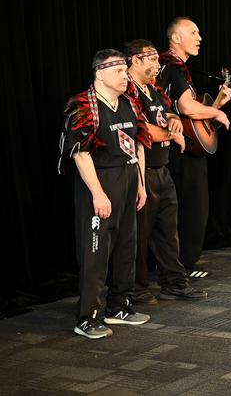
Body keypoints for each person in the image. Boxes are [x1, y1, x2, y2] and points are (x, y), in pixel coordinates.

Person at [60, 50, 151, 338]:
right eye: (118, 72)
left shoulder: (129, 103)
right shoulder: (83, 105)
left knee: (127, 246)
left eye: (126, 71)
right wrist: (98, 194)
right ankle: (88, 316)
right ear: (100, 72)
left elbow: (138, 145)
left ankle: (119, 306)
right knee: (96, 251)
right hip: (100, 182)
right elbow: (80, 154)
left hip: (127, 177)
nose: (125, 77)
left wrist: (141, 184)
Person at [124, 39, 207, 304]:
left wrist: (173, 121)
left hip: (162, 169)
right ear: (135, 60)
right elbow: (142, 130)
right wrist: (171, 135)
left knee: (167, 231)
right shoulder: (127, 91)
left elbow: (169, 113)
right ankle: (136, 288)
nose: (157, 63)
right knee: (140, 233)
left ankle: (174, 282)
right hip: (142, 171)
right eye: (150, 58)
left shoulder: (153, 88)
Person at [157, 17, 231, 275]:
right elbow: (187, 107)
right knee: (192, 207)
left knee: (186, 206)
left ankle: (179, 262)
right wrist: (218, 114)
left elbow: (192, 116)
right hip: (181, 149)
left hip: (182, 146)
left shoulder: (174, 68)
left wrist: (217, 104)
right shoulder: (173, 67)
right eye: (193, 32)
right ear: (175, 38)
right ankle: (183, 264)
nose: (200, 37)